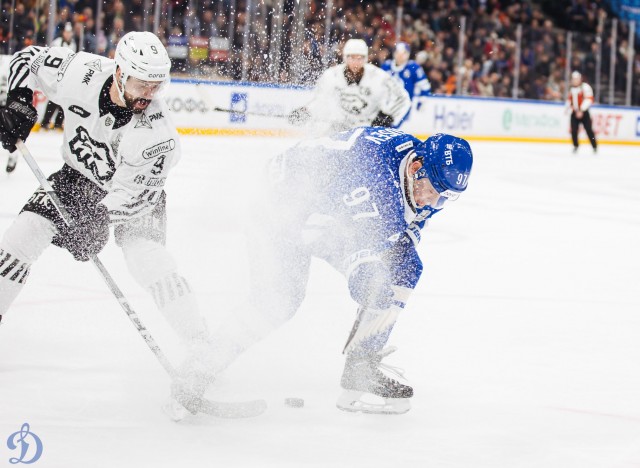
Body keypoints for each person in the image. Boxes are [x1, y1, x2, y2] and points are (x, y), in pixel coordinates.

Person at [0, 31, 212, 414]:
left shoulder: (156, 135)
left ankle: (201, 346)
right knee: (21, 236)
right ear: (119, 72)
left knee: (148, 261)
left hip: (134, 197)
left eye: (157, 85)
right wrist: (17, 99)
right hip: (77, 176)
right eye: (141, 83)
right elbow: (26, 58)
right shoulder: (79, 71)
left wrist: (96, 220)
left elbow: (132, 195)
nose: (149, 93)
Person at [197, 127, 473, 414]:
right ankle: (199, 367)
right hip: (281, 206)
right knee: (278, 299)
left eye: (442, 198)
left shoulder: (425, 175)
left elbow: (402, 229)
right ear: (416, 167)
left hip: (330, 209)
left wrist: (375, 271)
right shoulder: (376, 179)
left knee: (405, 267)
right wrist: (364, 276)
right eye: (430, 192)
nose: (431, 202)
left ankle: (361, 366)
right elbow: (358, 242)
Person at [289, 39, 411, 135]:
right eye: (352, 57)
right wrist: (306, 112)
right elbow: (320, 100)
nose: (356, 62)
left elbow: (403, 98)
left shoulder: (379, 77)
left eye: (360, 58)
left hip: (367, 130)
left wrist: (388, 117)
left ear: (366, 58)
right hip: (338, 129)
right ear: (345, 57)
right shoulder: (331, 76)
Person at [40, 22, 78, 132]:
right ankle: (45, 122)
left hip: (66, 76)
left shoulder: (73, 44)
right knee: (53, 100)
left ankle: (57, 123)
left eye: (70, 32)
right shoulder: (56, 42)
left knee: (63, 101)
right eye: (66, 32)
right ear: (63, 33)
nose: (68, 34)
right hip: (56, 75)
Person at [381, 42, 431, 114]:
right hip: (386, 104)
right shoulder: (386, 66)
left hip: (404, 105)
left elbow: (425, 86)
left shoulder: (413, 67)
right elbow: (379, 84)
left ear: (408, 54)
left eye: (404, 53)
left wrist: (422, 100)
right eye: (398, 52)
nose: (400, 56)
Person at [567, 70, 597, 154]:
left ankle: (594, 145)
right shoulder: (572, 88)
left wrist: (581, 110)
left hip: (584, 113)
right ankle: (575, 145)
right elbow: (570, 100)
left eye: (576, 79)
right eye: (573, 79)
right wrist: (569, 108)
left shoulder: (585, 87)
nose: (575, 81)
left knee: (589, 130)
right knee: (573, 130)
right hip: (574, 112)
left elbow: (589, 99)